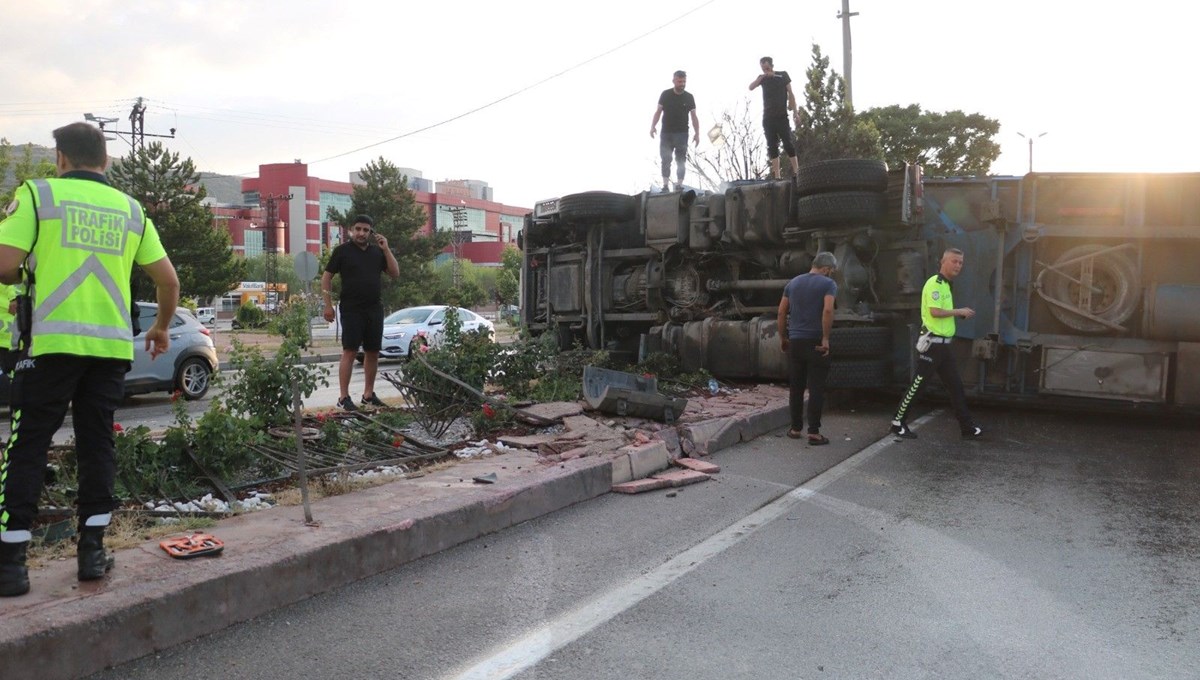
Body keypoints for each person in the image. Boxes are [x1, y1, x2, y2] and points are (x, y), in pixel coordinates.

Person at [0, 122, 180, 597]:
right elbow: (168, 281)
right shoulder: (131, 210)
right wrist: (160, 327)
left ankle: (12, 563)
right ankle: (92, 553)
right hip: (109, 351)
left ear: (60, 158)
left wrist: (25, 271)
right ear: (105, 160)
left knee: (29, 444)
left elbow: (3, 264)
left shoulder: (38, 196)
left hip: (51, 347)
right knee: (97, 444)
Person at [890, 248, 983, 440]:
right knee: (918, 385)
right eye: (954, 261)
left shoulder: (947, 285)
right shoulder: (936, 283)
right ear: (943, 262)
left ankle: (967, 428)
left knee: (956, 387)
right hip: (933, 344)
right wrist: (959, 312)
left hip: (944, 347)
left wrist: (958, 314)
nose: (958, 265)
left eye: (960, 263)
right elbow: (934, 311)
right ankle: (898, 422)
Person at [322, 215, 400, 412]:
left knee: (372, 352)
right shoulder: (342, 252)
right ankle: (343, 397)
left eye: (366, 230)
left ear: (371, 232)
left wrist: (386, 248)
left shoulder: (377, 252)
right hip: (351, 309)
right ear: (351, 230)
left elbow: (395, 272)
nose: (361, 233)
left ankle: (368, 395)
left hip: (374, 308)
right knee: (350, 351)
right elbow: (326, 277)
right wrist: (328, 305)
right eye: (358, 229)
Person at [778, 252, 837, 445]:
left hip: (795, 341)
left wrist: (783, 337)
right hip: (815, 342)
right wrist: (826, 338)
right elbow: (828, 310)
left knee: (796, 388)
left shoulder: (792, 283)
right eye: (831, 271)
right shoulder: (828, 284)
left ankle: (795, 429)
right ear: (826, 268)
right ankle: (813, 432)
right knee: (816, 388)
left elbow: (781, 311)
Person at [748, 56, 799, 180]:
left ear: (771, 65)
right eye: (763, 68)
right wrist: (764, 76)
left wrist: (795, 112)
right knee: (772, 145)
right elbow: (751, 87)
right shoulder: (762, 78)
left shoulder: (782, 75)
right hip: (768, 118)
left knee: (788, 143)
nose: (765, 70)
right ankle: (777, 175)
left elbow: (791, 94)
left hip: (782, 117)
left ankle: (797, 171)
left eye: (767, 67)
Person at [650, 70, 700, 192]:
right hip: (666, 132)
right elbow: (658, 112)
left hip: (682, 133)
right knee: (666, 158)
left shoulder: (689, 97)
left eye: (684, 81)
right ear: (674, 81)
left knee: (681, 159)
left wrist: (697, 133)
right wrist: (653, 126)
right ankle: (665, 185)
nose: (682, 84)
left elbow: (694, 116)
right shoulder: (665, 94)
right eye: (679, 81)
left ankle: (679, 184)